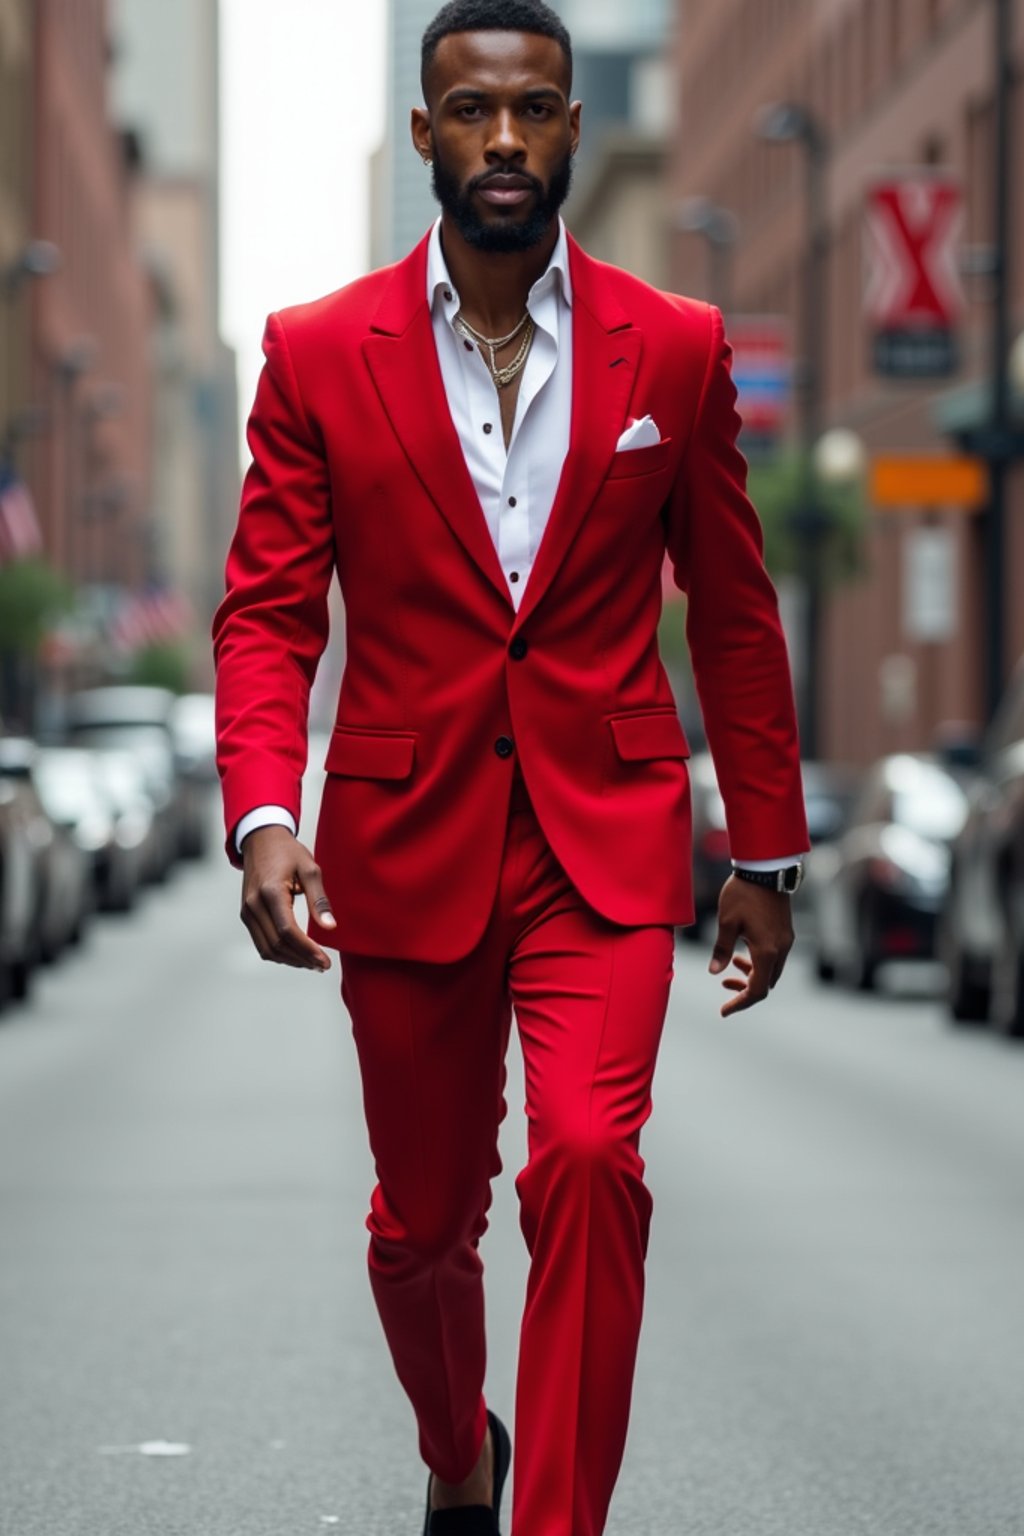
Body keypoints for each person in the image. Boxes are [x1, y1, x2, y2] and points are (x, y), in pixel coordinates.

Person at [213, 3, 810, 1532]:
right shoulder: (313, 354)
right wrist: (268, 814)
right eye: (471, 112)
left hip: (600, 839)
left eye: (534, 110)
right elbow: (269, 613)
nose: (501, 140)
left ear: (570, 133)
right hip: (404, 837)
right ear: (425, 134)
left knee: (595, 1165)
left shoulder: (671, 349)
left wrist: (767, 848)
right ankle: (452, 1453)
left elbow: (735, 615)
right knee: (422, 1229)